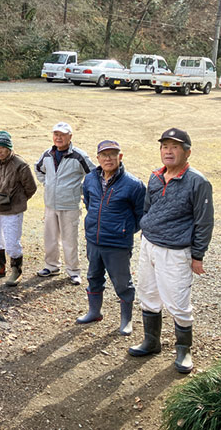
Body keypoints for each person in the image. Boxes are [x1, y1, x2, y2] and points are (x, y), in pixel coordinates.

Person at [128, 128, 213, 374]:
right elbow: (147, 209)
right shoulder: (155, 177)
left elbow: (204, 222)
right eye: (165, 146)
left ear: (187, 152)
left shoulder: (198, 182)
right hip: (149, 245)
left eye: (175, 147)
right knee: (148, 294)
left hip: (176, 252)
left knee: (177, 301)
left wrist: (197, 255)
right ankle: (151, 341)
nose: (168, 151)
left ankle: (184, 349)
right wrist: (147, 231)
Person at [76, 140, 145, 335]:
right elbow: (90, 204)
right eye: (104, 155)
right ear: (97, 158)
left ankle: (126, 320)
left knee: (122, 283)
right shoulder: (90, 179)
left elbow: (141, 215)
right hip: (94, 240)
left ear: (120, 157)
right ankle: (94, 312)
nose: (108, 158)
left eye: (113, 154)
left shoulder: (134, 184)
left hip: (117, 244)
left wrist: (123, 230)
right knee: (93, 277)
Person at [35, 122, 94, 284]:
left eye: (62, 135)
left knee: (70, 240)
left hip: (70, 206)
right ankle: (52, 266)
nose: (58, 138)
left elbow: (94, 175)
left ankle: (74, 271)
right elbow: (38, 168)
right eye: (56, 134)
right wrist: (47, 184)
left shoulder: (79, 156)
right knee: (50, 238)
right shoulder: (47, 154)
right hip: (50, 205)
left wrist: (79, 190)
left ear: (70, 137)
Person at [0, 131, 37, 286]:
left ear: (9, 148)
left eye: (3, 148)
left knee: (12, 241)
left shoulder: (20, 164)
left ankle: (16, 270)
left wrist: (18, 201)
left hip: (13, 210)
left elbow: (31, 188)